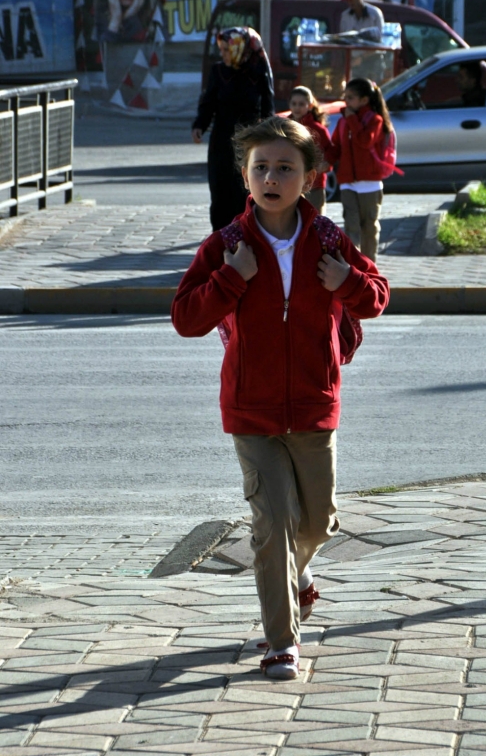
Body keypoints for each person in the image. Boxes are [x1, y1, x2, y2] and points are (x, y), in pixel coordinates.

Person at [171, 116, 389, 681]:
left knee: (318, 522)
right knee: (271, 526)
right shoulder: (227, 246)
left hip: (316, 404)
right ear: (246, 178)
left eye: (285, 168)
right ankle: (281, 642)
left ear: (311, 178)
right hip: (252, 410)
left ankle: (296, 572)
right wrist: (231, 279)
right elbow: (186, 318)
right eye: (261, 167)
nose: (272, 177)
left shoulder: (328, 240)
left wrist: (345, 279)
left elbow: (376, 298)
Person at [192, 27, 274, 231]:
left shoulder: (258, 71)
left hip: (250, 142)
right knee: (220, 193)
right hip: (222, 140)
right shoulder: (218, 71)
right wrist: (199, 125)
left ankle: (246, 238)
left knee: (244, 192)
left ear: (241, 49)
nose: (223, 54)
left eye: (227, 50)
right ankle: (220, 241)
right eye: (222, 50)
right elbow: (208, 102)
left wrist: (270, 136)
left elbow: (268, 107)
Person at [329, 77, 392, 262]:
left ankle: (370, 264)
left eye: (351, 98)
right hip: (347, 182)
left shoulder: (375, 120)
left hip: (370, 184)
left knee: (369, 227)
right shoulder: (343, 122)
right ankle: (354, 266)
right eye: (345, 97)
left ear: (364, 100)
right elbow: (336, 147)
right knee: (351, 226)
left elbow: (365, 141)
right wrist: (325, 162)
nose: (346, 101)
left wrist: (352, 120)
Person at [287, 85, 333, 214]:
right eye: (294, 103)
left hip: (314, 185)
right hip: (289, 183)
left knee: (315, 222)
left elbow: (330, 151)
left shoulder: (318, 129)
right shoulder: (284, 127)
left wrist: (326, 164)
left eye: (301, 104)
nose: (297, 107)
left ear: (310, 105)